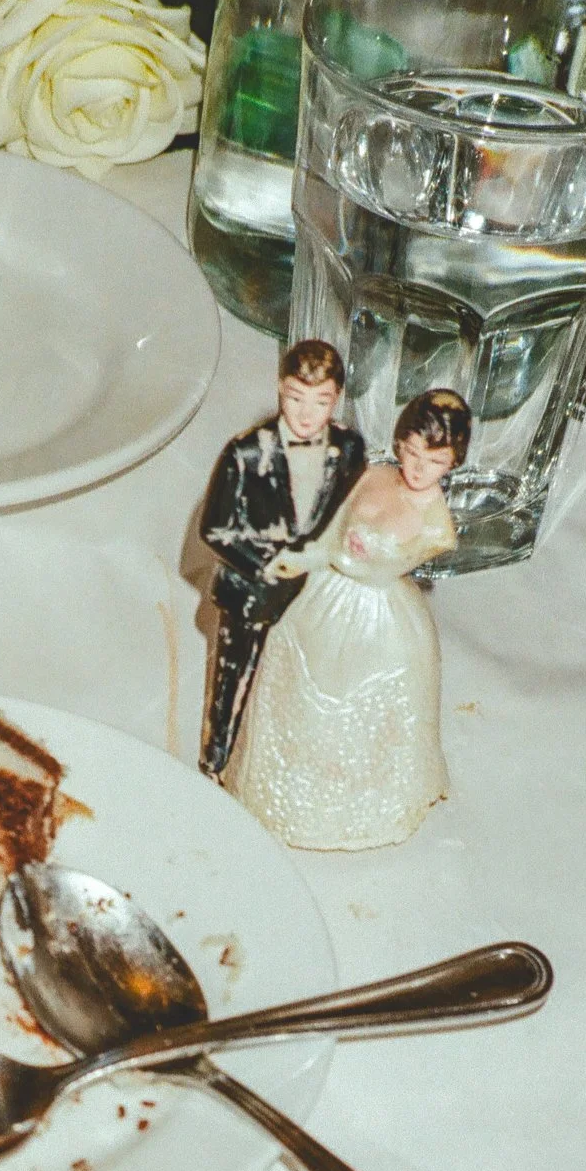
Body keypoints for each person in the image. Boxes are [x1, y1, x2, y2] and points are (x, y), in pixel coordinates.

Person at [224, 387, 473, 851]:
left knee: (364, 707)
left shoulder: (437, 524)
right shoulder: (373, 476)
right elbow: (331, 533)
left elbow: (390, 560)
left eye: (433, 460)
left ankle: (354, 797)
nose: (417, 467)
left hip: (378, 616)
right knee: (294, 684)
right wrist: (299, 560)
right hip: (324, 594)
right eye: (411, 451)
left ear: (452, 462)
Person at [199, 339, 366, 780]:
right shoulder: (245, 453)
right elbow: (214, 529)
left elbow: (351, 507)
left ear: (337, 398)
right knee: (235, 681)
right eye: (295, 398)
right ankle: (216, 760)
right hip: (252, 595)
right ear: (278, 389)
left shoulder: (349, 449)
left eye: (321, 402)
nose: (307, 414)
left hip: (318, 590)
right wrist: (266, 563)